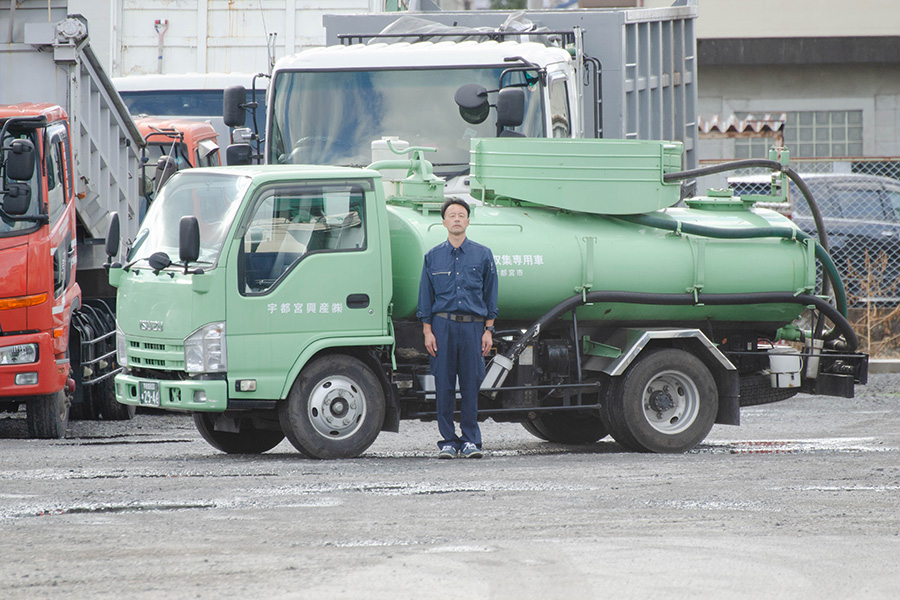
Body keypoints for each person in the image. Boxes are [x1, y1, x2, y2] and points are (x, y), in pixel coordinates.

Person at [417, 198, 499, 459]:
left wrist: (489, 329)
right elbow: (425, 297)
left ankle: (471, 440)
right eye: (451, 215)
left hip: (473, 328)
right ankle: (448, 441)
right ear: (443, 222)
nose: (456, 219)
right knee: (443, 384)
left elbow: (491, 293)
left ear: (467, 221)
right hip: (442, 326)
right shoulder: (433, 257)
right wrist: (427, 331)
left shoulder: (482, 254)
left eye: (461, 215)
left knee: (471, 384)